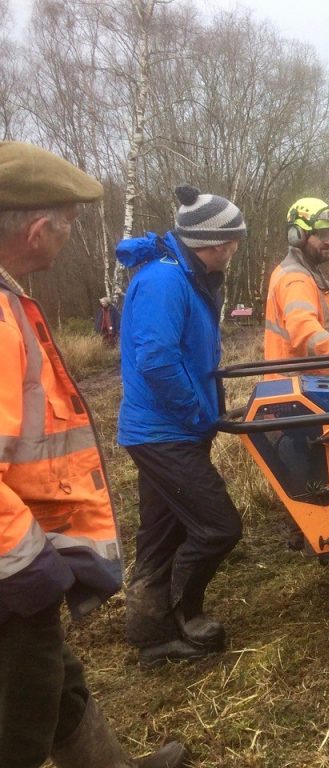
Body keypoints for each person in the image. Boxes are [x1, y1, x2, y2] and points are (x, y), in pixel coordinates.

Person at [0, 142, 186, 767]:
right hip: (7, 569)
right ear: (37, 228)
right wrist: (25, 562)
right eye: (71, 220)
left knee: (57, 686)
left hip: (17, 562)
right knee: (16, 725)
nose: (73, 232)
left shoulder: (9, 298)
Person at [117, 185, 246, 669]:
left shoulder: (187, 277)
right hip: (164, 432)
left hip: (169, 429)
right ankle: (184, 615)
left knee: (162, 533)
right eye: (233, 241)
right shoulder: (165, 282)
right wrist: (198, 413)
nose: (235, 250)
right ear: (211, 244)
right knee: (218, 527)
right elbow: (156, 361)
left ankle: (150, 636)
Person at [264, 198, 329, 374]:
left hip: (316, 387)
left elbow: (324, 328)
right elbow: (302, 330)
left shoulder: (310, 274)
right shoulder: (295, 279)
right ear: (297, 235)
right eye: (322, 234)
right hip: (299, 390)